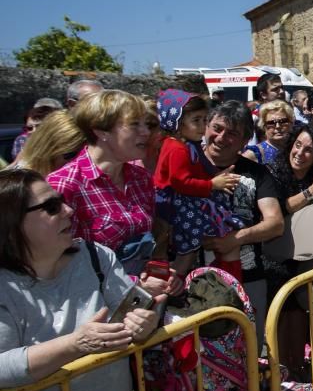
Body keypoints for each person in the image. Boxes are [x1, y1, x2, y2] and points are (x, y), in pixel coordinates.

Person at [0, 170, 161, 391]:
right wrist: (75, 344)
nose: (70, 211)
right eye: (52, 206)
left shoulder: (96, 257)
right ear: (12, 223)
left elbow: (137, 312)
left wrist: (145, 321)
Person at [47, 90, 179, 294]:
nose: (146, 132)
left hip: (140, 308)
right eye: (135, 124)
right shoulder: (63, 185)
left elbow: (147, 247)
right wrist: (135, 283)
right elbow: (59, 264)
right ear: (101, 131)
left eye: (147, 124)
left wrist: (161, 274)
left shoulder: (141, 179)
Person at [200, 101, 285, 346]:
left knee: (249, 348)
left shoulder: (257, 174)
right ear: (206, 126)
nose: (221, 137)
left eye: (232, 133)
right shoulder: (186, 167)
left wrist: (235, 239)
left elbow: (275, 223)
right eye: (217, 128)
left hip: (248, 278)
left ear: (245, 140)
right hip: (193, 279)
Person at [152, 90, 244, 279]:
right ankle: (173, 281)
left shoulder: (185, 145)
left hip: (182, 201)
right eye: (196, 121)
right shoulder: (177, 148)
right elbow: (180, 182)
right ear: (177, 123)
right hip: (175, 205)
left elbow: (198, 170)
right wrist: (212, 185)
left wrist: (215, 177)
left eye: (204, 120)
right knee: (191, 244)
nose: (203, 126)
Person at [9, 110, 85, 176]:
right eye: (71, 154)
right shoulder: (23, 178)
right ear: (49, 150)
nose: (78, 160)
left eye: (84, 152)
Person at [242, 100, 294, 165]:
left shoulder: (297, 149)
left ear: (291, 123)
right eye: (271, 123)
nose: (278, 126)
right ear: (263, 126)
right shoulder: (254, 154)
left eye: (283, 121)